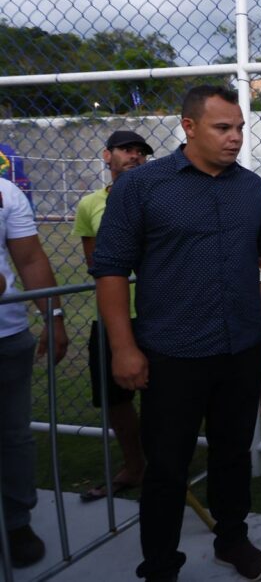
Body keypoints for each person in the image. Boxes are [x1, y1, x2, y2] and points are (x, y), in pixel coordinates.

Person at [92, 85, 261, 582]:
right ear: (189, 127)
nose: (235, 138)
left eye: (240, 128)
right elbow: (111, 270)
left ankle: (232, 540)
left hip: (240, 349)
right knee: (166, 467)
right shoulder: (142, 187)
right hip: (172, 353)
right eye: (223, 128)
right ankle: (160, 563)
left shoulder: (251, 188)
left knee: (232, 454)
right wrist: (123, 348)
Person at [73, 130, 153, 502]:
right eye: (126, 150)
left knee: (163, 395)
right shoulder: (90, 204)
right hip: (113, 315)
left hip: (157, 312)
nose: (134, 156)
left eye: (140, 151)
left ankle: (164, 464)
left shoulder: (160, 197)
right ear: (107, 155)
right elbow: (96, 264)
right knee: (115, 398)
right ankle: (134, 464)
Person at [0, 179, 69, 568]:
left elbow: (30, 259)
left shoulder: (6, 193)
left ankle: (15, 522)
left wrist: (54, 316)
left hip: (6, 335)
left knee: (13, 436)